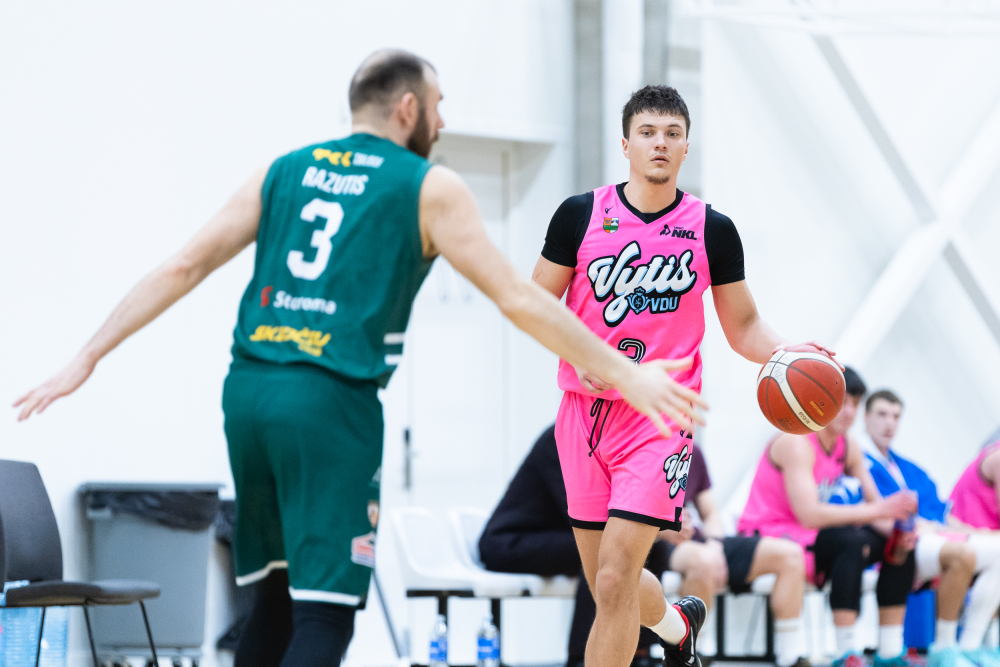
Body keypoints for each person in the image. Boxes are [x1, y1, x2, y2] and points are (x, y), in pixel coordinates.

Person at [13, 51, 705, 667]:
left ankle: (674, 629)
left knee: (273, 602)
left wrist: (87, 355)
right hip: (330, 401)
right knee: (325, 615)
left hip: (247, 394)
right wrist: (627, 373)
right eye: (438, 106)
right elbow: (519, 298)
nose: (442, 120)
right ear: (408, 108)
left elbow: (184, 264)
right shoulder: (428, 185)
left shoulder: (283, 169)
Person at [531, 84, 834, 667]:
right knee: (607, 581)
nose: (660, 144)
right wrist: (578, 357)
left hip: (660, 419)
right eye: (647, 132)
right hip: (582, 418)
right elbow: (535, 306)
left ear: (686, 146)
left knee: (615, 579)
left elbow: (743, 326)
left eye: (672, 134)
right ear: (626, 144)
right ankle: (677, 626)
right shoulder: (579, 215)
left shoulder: (710, 228)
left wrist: (788, 352)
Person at [479, 427, 808, 667]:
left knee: (636, 551)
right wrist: (662, 526)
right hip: (512, 542)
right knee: (607, 553)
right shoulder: (568, 439)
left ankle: (645, 649)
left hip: (565, 535)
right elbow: (585, 515)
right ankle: (585, 656)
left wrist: (703, 539)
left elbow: (697, 512)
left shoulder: (659, 448)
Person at [737, 368, 919, 667]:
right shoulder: (796, 441)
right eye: (843, 402)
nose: (849, 412)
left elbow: (877, 506)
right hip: (768, 535)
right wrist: (880, 511)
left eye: (855, 404)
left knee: (897, 546)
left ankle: (889, 651)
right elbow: (809, 515)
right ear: (820, 401)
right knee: (850, 540)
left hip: (810, 537)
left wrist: (900, 534)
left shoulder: (847, 445)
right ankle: (846, 652)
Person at [863, 390, 1000, 667]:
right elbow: (869, 513)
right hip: (899, 545)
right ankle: (944, 646)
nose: (889, 423)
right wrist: (918, 527)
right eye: (882, 414)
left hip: (933, 537)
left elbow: (942, 514)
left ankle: (971, 647)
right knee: (961, 553)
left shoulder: (911, 469)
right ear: (865, 418)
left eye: (895, 416)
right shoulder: (860, 465)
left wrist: (978, 533)